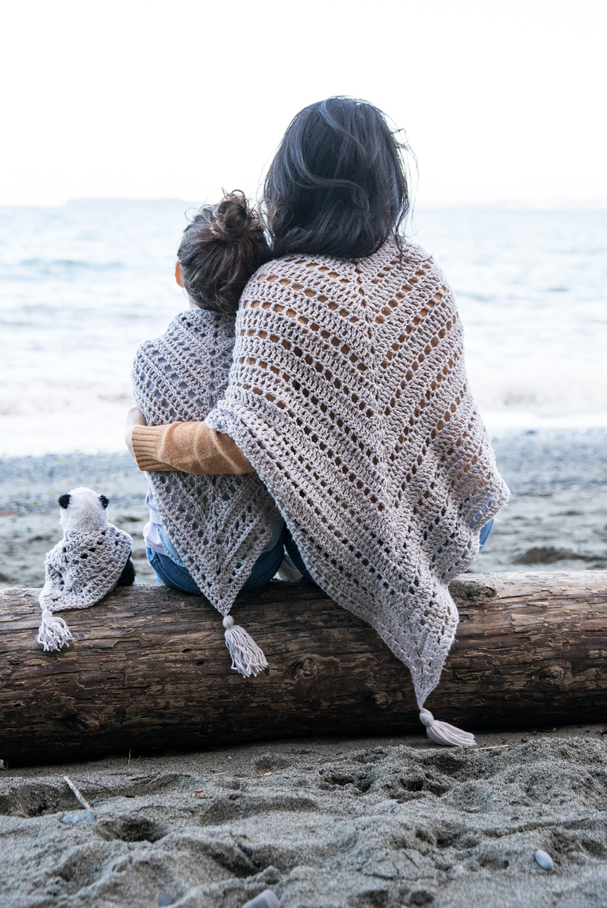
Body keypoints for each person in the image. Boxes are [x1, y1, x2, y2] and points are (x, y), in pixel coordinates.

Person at [126, 97, 509, 744]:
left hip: (351, 543)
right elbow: (448, 419)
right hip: (460, 521)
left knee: (268, 513)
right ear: (388, 184)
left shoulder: (279, 285)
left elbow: (241, 442)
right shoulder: (421, 271)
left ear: (291, 184)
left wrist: (149, 443)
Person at [130, 190, 305, 677]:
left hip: (176, 568)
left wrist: (132, 425)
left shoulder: (151, 357)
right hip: (261, 562)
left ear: (180, 274)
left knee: (159, 510)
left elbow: (147, 431)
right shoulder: (266, 355)